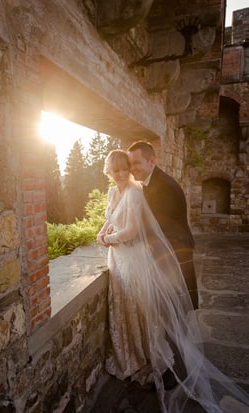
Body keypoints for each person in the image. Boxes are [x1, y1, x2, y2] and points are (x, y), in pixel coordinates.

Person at [97, 150, 249, 412]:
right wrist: (103, 233)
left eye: (132, 165)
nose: (128, 171)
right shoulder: (128, 189)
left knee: (168, 315)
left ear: (150, 160)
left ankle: (177, 367)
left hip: (170, 255)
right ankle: (157, 357)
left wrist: (111, 240)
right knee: (151, 312)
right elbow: (113, 220)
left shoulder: (156, 188)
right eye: (121, 167)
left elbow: (144, 229)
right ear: (108, 170)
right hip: (130, 258)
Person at [127, 140, 198, 310]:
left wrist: (124, 237)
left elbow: (155, 226)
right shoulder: (151, 182)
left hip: (175, 251)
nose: (132, 168)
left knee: (175, 308)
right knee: (172, 309)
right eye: (130, 164)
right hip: (168, 250)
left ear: (152, 161)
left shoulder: (163, 187)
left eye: (136, 163)